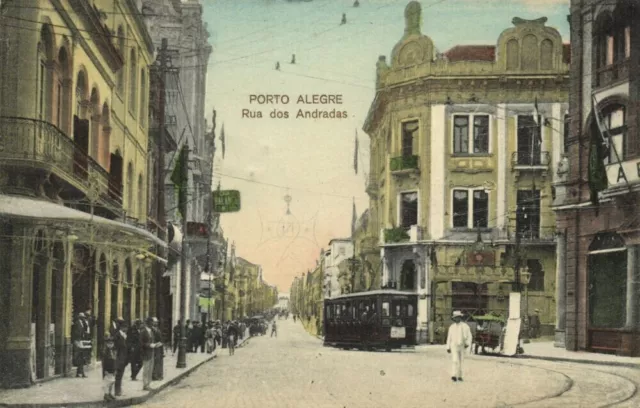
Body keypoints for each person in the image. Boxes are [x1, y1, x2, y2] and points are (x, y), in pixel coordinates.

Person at [446, 310, 472, 382]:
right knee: (454, 360)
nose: (457, 319)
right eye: (455, 317)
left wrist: (467, 343)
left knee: (461, 361)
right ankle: (453, 375)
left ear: (460, 317)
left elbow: (469, 336)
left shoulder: (465, 326)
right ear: (453, 318)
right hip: (454, 345)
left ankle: (460, 376)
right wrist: (448, 347)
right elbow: (449, 337)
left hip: (462, 345)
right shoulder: (451, 327)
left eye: (458, 317)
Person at [113, 318, 128, 397]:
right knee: (118, 376)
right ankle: (117, 391)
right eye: (125, 327)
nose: (126, 329)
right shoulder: (117, 336)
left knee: (120, 375)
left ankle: (119, 390)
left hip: (124, 358)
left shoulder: (125, 335)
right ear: (121, 327)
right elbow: (116, 348)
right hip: (119, 358)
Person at [140, 317, 154, 391]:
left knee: (150, 369)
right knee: (146, 369)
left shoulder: (151, 331)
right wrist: (148, 345)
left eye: (152, 323)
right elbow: (141, 343)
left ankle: (148, 384)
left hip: (151, 352)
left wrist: (154, 344)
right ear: (147, 323)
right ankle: (145, 385)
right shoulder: (143, 332)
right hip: (145, 353)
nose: (152, 324)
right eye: (151, 323)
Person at [101, 334, 117, 401]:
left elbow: (115, 360)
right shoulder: (105, 352)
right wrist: (105, 370)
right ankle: (106, 394)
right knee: (107, 383)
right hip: (107, 369)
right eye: (109, 343)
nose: (111, 345)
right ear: (107, 344)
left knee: (112, 382)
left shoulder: (113, 351)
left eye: (112, 343)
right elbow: (104, 363)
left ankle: (110, 393)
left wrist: (115, 369)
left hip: (112, 369)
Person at [72, 313, 88, 378]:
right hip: (78, 341)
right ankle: (81, 373)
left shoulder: (81, 323)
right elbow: (75, 332)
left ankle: (79, 373)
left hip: (80, 341)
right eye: (83, 317)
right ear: (80, 317)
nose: (84, 318)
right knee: (80, 357)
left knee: (81, 357)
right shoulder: (77, 323)